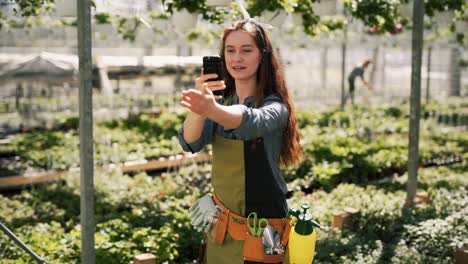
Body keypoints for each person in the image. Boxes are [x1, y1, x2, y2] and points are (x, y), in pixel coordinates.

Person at [178, 19, 302, 263]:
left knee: (272, 261)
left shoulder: (275, 106)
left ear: (262, 56)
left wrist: (211, 109)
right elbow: (190, 142)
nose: (237, 58)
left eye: (246, 50)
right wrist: (200, 107)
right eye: (230, 50)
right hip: (222, 228)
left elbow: (251, 122)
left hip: (269, 227)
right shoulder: (220, 103)